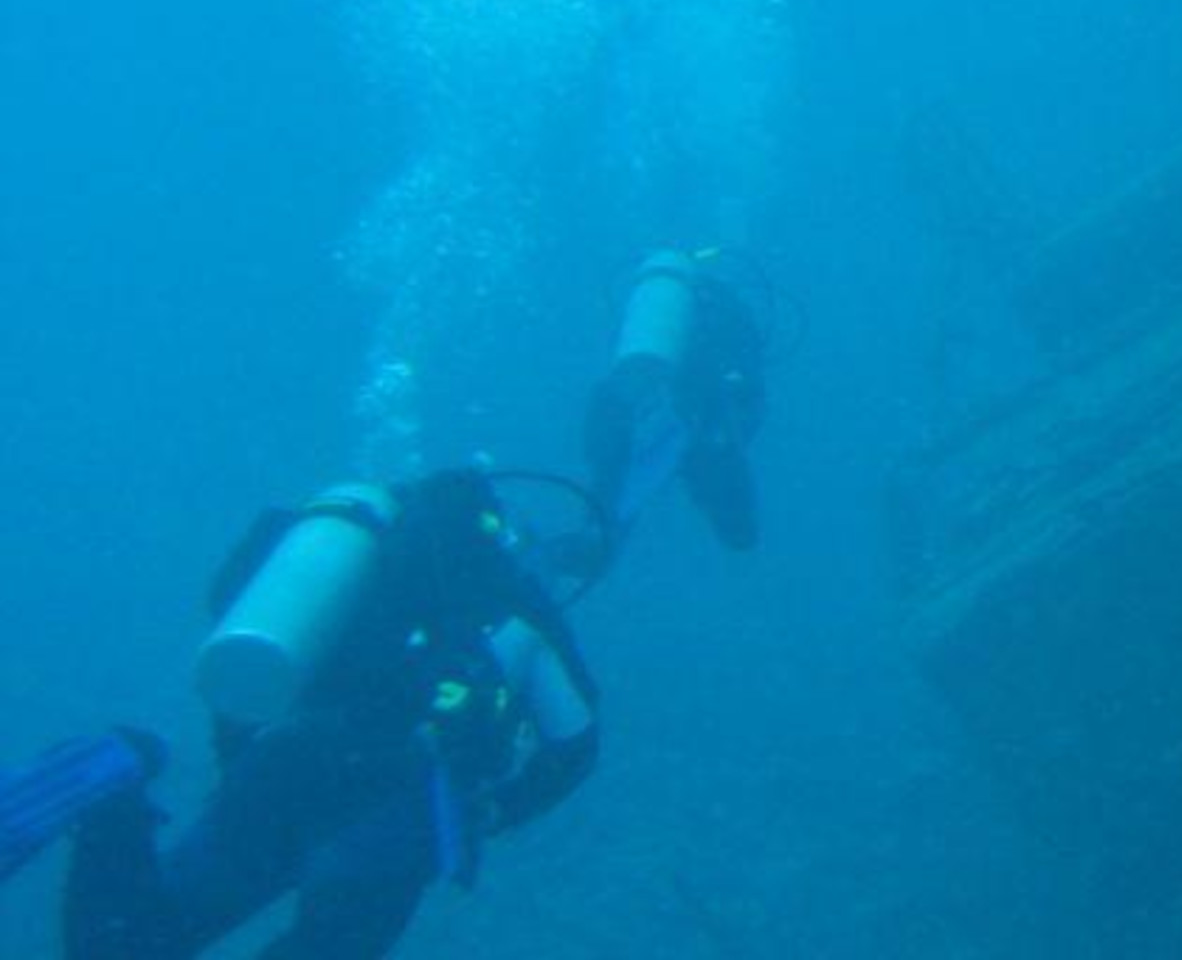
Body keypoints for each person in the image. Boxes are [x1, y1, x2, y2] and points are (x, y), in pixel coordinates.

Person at [1, 470, 599, 960]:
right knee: (331, 944)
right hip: (406, 793)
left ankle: (115, 791)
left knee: (132, 943)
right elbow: (574, 743)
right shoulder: (517, 602)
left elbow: (248, 663)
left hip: (284, 761)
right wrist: (499, 809)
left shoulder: (353, 578)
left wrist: (236, 763)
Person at [582, 251, 771, 554]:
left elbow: (619, 362)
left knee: (613, 486)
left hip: (635, 393)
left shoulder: (647, 309)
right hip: (705, 410)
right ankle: (598, 534)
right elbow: (748, 384)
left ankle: (593, 537)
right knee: (738, 529)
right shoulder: (730, 308)